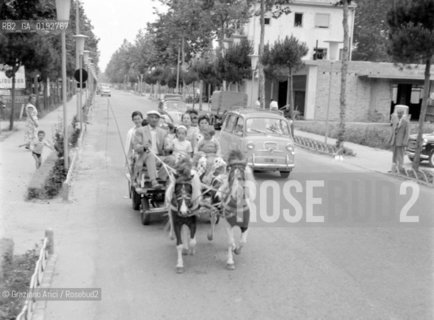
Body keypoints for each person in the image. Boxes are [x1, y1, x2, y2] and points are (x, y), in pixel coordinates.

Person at [133, 111, 167, 188]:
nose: (154, 119)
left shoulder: (163, 132)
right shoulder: (140, 131)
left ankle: (162, 178)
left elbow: (166, 147)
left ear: (158, 120)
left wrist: (169, 148)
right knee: (150, 155)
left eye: (156, 118)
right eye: (152, 117)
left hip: (158, 157)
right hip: (144, 156)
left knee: (172, 159)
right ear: (147, 119)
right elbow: (136, 147)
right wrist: (143, 146)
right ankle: (154, 181)